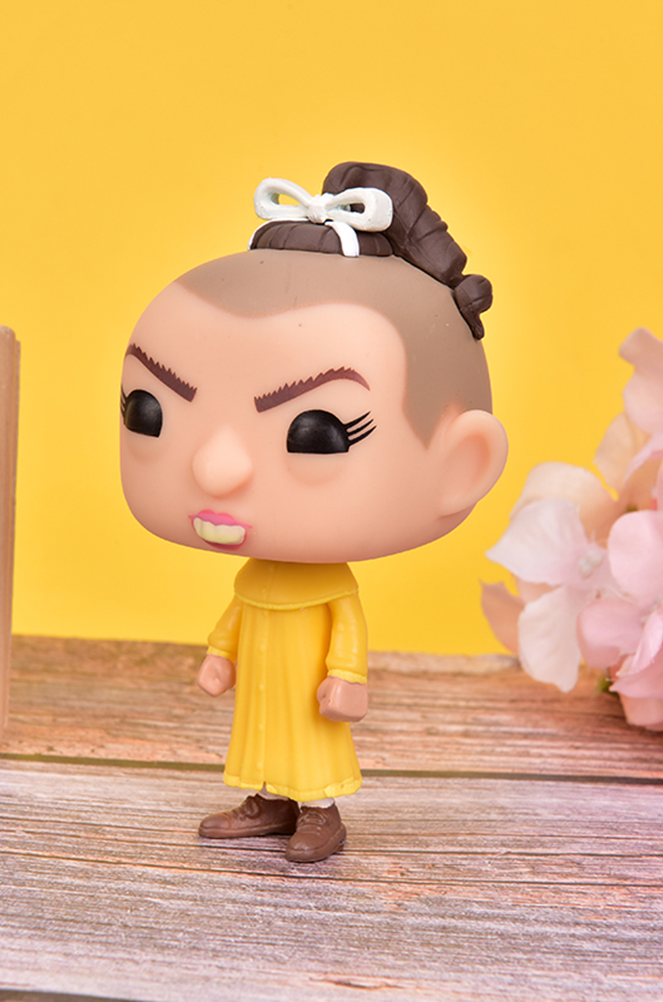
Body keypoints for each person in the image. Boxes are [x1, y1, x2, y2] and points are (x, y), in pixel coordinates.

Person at [119, 163, 507, 862]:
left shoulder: (329, 589)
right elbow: (239, 614)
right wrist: (219, 657)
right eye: (148, 410)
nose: (215, 470)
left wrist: (347, 678)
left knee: (309, 742)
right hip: (262, 687)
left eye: (317, 431)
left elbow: (345, 630)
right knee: (260, 738)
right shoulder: (256, 578)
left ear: (462, 465)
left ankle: (320, 812)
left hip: (310, 693)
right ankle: (266, 801)